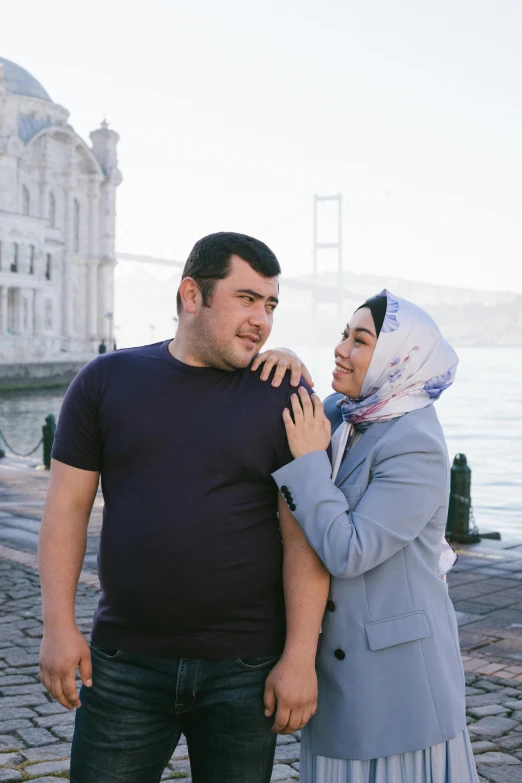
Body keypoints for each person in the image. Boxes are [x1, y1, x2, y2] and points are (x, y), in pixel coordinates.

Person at [38, 232, 329, 783]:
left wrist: (299, 657)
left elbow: (302, 537)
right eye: (246, 299)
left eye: (270, 305)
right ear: (192, 295)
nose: (262, 321)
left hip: (245, 670)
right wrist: (58, 626)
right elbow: (66, 509)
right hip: (122, 665)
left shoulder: (282, 396)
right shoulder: (105, 381)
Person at [257, 291, 478, 783]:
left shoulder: (414, 441)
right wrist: (286, 364)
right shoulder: (347, 412)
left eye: (361, 341)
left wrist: (310, 463)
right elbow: (298, 410)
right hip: (337, 667)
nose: (341, 349)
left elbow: (350, 551)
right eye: (343, 335)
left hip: (395, 678)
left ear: (398, 359)